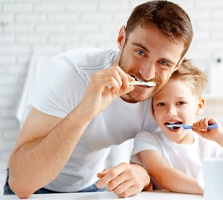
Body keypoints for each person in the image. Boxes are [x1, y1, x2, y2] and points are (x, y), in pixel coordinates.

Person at [5, 1, 194, 198]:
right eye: (140, 52)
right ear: (121, 38)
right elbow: (21, 183)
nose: (147, 73)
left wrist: (142, 174)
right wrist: (85, 111)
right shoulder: (67, 74)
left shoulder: (166, 101)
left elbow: (170, 168)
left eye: (164, 62)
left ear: (177, 64)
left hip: (92, 187)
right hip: (33, 189)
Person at [130, 60, 223, 194]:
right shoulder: (147, 140)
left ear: (199, 106)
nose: (171, 112)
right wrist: (211, 189)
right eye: (161, 104)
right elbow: (162, 174)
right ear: (153, 111)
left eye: (180, 103)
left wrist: (222, 138)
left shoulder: (210, 146)